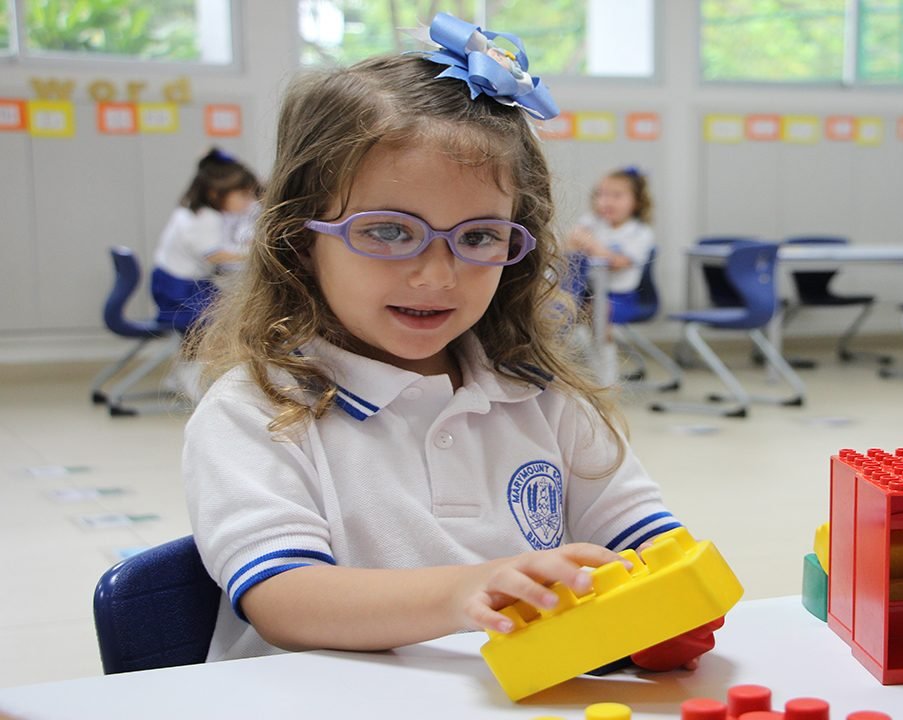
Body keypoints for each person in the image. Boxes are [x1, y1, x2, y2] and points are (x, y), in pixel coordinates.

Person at [183, 13, 717, 670]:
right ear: (300, 238)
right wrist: (465, 589)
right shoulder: (258, 410)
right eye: (387, 231)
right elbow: (284, 599)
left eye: (479, 237)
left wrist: (672, 601)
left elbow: (649, 540)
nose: (438, 275)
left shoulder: (542, 398)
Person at [151, 148, 261, 331]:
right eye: (243, 195)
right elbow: (215, 255)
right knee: (233, 318)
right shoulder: (204, 218)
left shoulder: (195, 211)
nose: (248, 202)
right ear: (215, 193)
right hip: (178, 292)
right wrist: (254, 253)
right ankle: (200, 359)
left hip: (173, 285)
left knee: (233, 309)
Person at [567, 167, 656, 298]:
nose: (606, 201)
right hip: (589, 291)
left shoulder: (640, 233)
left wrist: (594, 247)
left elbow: (618, 263)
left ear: (637, 201)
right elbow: (572, 240)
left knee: (598, 313)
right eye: (601, 194)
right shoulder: (593, 221)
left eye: (617, 195)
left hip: (621, 295)